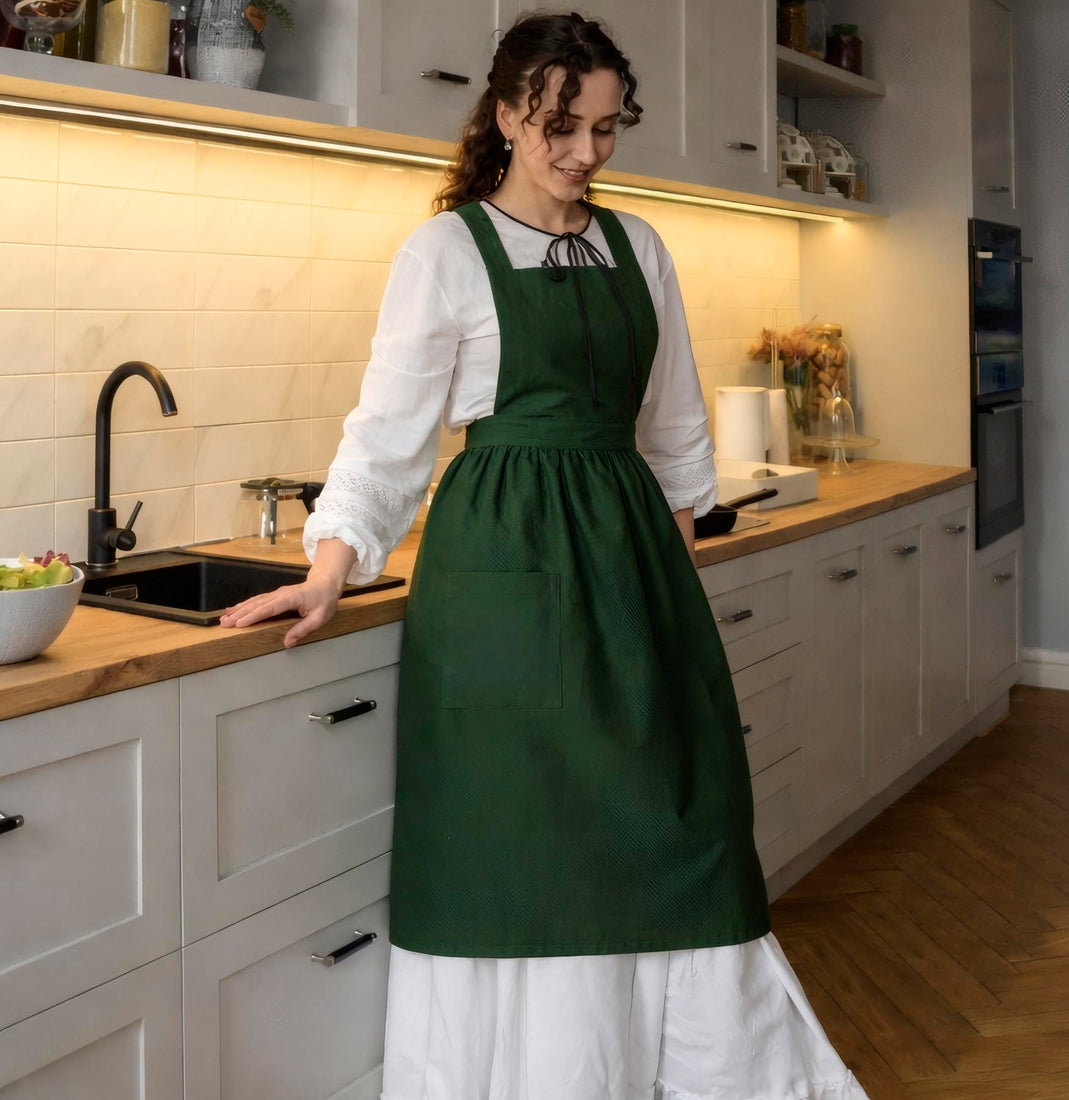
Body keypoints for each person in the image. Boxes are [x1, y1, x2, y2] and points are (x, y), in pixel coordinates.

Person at [221, 11, 870, 1099]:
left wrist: (664, 601)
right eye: (560, 126)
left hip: (633, 568)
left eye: (605, 129)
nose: (583, 152)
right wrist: (330, 569)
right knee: (520, 842)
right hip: (499, 582)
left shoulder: (638, 246)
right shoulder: (445, 251)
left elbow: (676, 438)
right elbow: (385, 438)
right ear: (508, 115)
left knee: (685, 825)